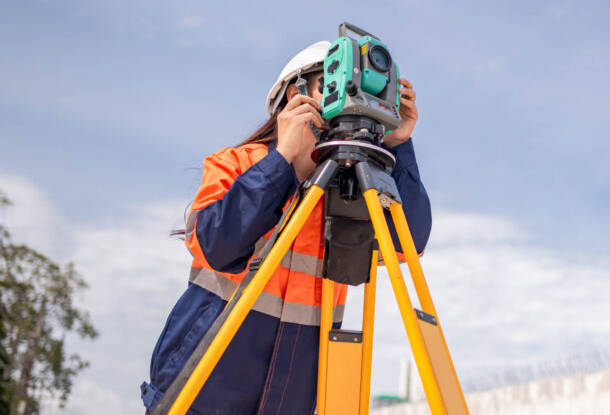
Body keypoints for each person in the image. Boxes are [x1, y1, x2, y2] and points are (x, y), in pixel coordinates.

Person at [140, 41, 431, 414]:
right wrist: (282, 164)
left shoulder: (350, 192)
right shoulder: (237, 163)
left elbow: (408, 243)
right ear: (296, 94)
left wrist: (398, 147)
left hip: (291, 401)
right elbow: (217, 244)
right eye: (335, 82)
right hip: (199, 391)